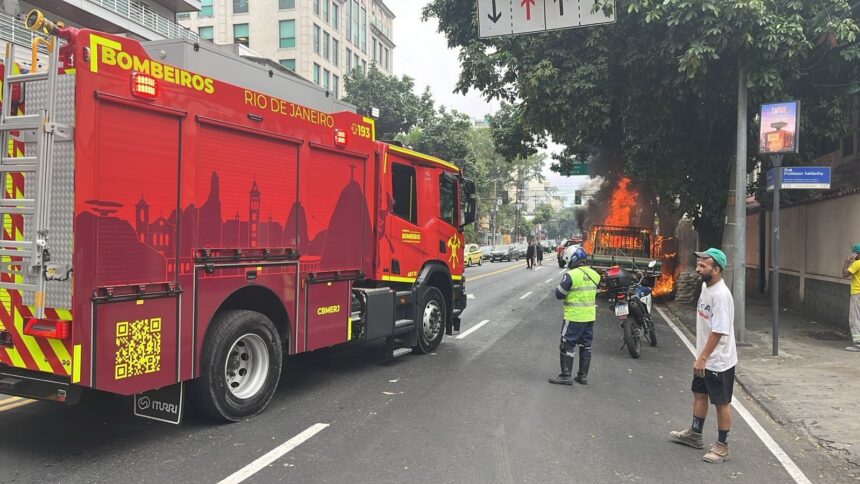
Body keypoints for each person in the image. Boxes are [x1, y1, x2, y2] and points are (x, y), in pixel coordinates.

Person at [670, 248, 737, 464]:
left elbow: (719, 331)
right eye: (698, 264)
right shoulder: (705, 287)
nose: (698, 268)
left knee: (721, 402)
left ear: (716, 270)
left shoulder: (721, 295)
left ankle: (722, 445)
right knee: (699, 394)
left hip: (718, 360)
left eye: (703, 265)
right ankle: (695, 434)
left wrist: (703, 358)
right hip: (705, 356)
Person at [549, 247, 601, 385]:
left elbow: (559, 294)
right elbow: (598, 292)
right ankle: (582, 376)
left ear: (572, 259)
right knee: (586, 346)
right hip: (589, 317)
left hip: (574, 317)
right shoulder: (595, 275)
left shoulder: (571, 275)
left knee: (567, 344)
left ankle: (566, 375)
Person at [842, 243, 860, 352]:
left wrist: (846, 262)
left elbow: (844, 274)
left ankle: (858, 344)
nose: (852, 254)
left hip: (857, 293)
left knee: (855, 318)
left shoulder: (857, 264)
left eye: (854, 252)